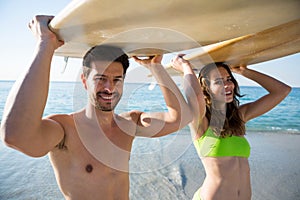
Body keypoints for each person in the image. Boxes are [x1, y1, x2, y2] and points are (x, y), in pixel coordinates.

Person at [0, 15, 192, 200]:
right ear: (84, 81)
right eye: (101, 79)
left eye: (117, 80)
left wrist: (155, 67)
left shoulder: (129, 124)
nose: (109, 88)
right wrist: (45, 45)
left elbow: (181, 118)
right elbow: (15, 135)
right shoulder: (65, 130)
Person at [170, 55, 291, 200]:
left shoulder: (239, 117)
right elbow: (194, 97)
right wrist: (186, 68)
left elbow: (282, 91)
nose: (227, 85)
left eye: (229, 79)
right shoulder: (201, 121)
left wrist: (244, 71)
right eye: (219, 82)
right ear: (206, 88)